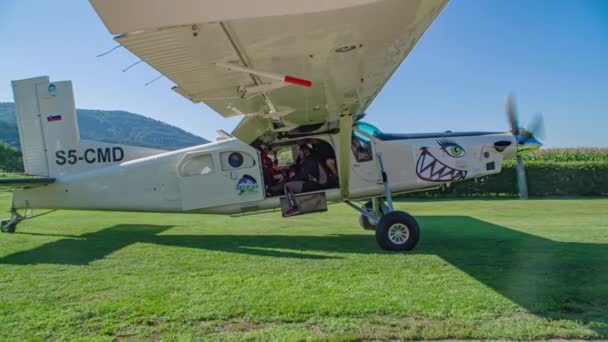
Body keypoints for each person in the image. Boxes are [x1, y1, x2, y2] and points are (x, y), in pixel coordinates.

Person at [283, 144, 325, 216]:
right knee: (290, 182)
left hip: (311, 184)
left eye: (300, 152)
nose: (299, 154)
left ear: (304, 152)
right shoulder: (310, 159)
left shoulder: (307, 161)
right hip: (312, 182)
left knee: (287, 185)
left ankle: (294, 208)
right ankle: (298, 204)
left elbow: (304, 176)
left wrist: (293, 176)